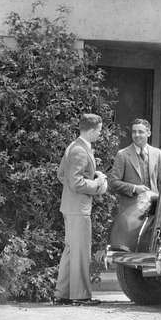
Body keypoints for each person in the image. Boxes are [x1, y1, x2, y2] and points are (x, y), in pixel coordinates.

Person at [54, 113, 107, 306]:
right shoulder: (80, 150)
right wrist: (96, 184)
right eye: (99, 131)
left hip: (71, 206)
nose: (100, 134)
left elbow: (62, 175)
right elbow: (76, 181)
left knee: (70, 250)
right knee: (81, 251)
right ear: (92, 130)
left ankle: (63, 294)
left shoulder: (73, 146)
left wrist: (75, 188)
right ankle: (80, 296)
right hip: (79, 209)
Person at [109, 118, 161, 212]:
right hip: (130, 210)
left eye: (140, 132)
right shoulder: (122, 154)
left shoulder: (157, 153)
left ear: (149, 133)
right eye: (134, 132)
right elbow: (114, 182)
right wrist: (134, 188)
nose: (136, 135)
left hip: (153, 209)